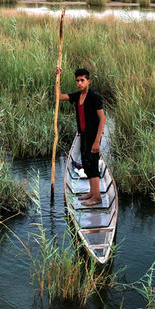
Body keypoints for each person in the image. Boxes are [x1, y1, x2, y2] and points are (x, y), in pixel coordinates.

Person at [55, 67, 106, 206]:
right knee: (86, 163)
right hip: (83, 135)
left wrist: (97, 141)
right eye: (77, 81)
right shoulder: (78, 96)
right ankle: (92, 192)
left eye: (82, 80)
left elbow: (102, 119)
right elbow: (59, 96)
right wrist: (57, 78)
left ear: (88, 81)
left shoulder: (93, 97)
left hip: (93, 136)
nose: (79, 83)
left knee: (93, 164)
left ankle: (97, 197)